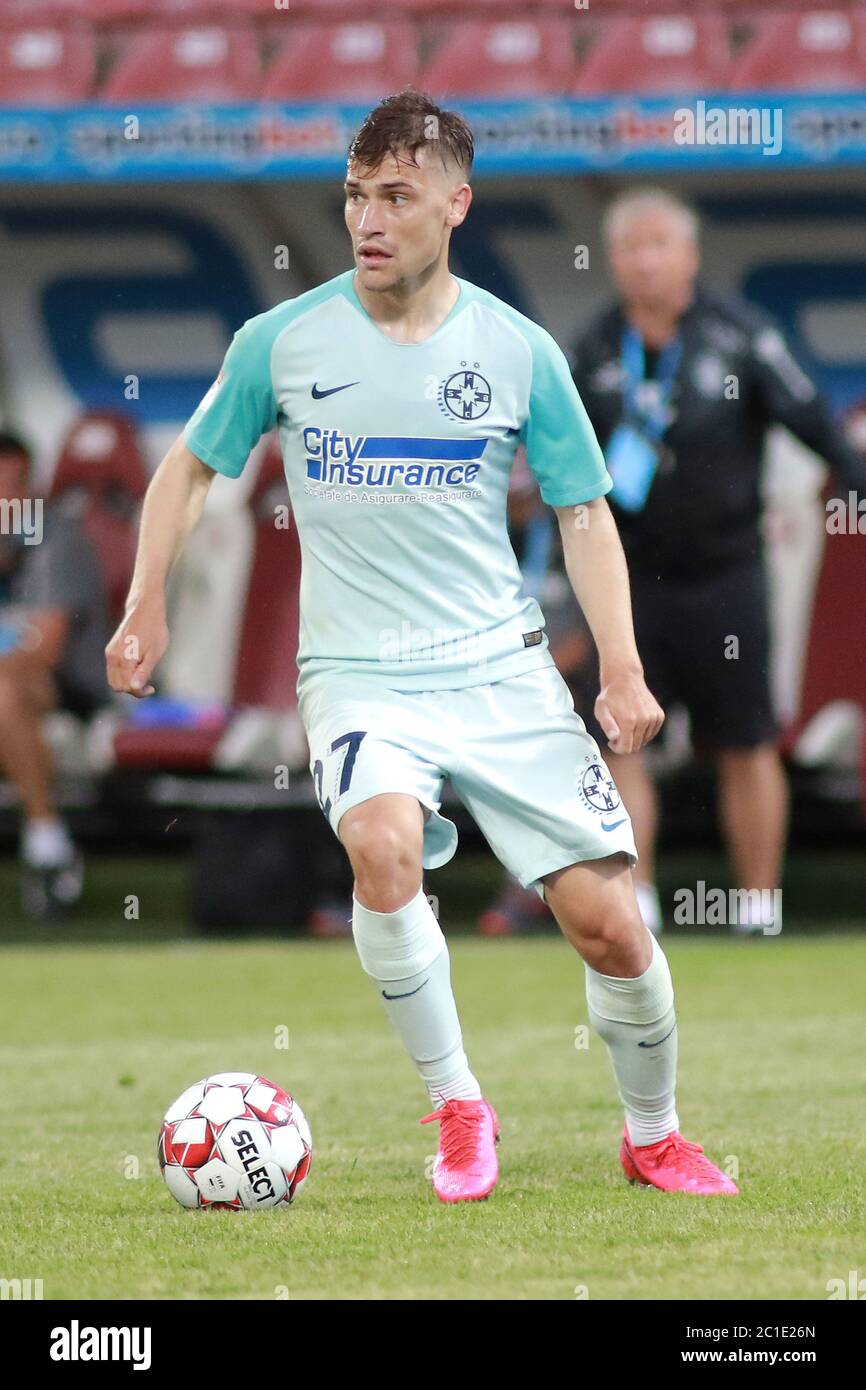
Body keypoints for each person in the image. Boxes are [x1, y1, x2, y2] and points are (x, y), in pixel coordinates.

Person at [107, 90, 738, 1203]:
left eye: (396, 195)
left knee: (609, 929)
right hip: (358, 677)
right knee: (383, 847)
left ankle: (653, 1135)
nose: (369, 218)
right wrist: (146, 598)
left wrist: (624, 664)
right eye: (356, 194)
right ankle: (456, 1106)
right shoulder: (282, 342)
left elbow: (584, 511)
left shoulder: (517, 349)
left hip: (499, 666)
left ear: (455, 202)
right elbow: (190, 468)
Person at [571, 188, 866, 936]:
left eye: (659, 245)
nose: (644, 260)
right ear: (613, 261)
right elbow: (550, 457)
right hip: (628, 582)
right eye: (630, 248)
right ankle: (636, 904)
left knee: (746, 739)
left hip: (727, 576)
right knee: (621, 740)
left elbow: (821, 433)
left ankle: (758, 906)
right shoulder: (594, 347)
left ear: (690, 256)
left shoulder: (742, 336)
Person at [0, 430, 109, 917]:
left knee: (2, 690)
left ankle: (48, 844)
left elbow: (44, 647)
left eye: (13, 485)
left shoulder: (52, 534)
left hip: (72, 686)